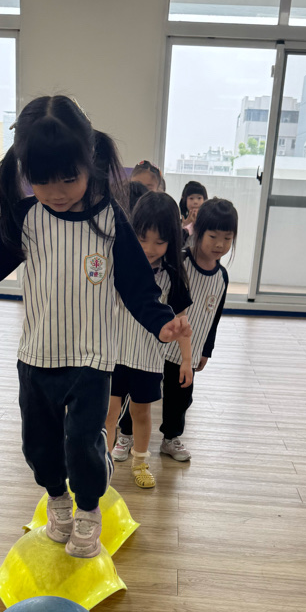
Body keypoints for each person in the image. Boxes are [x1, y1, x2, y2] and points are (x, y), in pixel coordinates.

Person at [0, 95, 190, 558]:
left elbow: (136, 285)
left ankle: (88, 509)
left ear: (89, 162)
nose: (56, 191)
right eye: (41, 180)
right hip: (37, 357)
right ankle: (57, 501)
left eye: (68, 178)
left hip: (91, 360)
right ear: (26, 172)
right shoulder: (27, 217)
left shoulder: (110, 220)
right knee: (39, 447)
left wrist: (161, 322)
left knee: (82, 444)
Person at [115, 197, 235, 463]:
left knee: (177, 398)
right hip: (144, 348)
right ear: (197, 232)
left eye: (227, 238)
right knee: (128, 400)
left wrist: (203, 351)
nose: (219, 244)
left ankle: (169, 438)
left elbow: (211, 318)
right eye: (213, 236)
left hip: (176, 350)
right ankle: (124, 436)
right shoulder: (176, 263)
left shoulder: (214, 276)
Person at [106, 191, 191, 489]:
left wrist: (187, 361)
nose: (149, 248)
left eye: (159, 241)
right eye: (142, 239)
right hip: (113, 354)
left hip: (147, 359)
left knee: (141, 413)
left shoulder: (173, 277)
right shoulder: (118, 266)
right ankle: (101, 463)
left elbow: (182, 323)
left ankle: (140, 462)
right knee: (108, 412)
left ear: (172, 241)